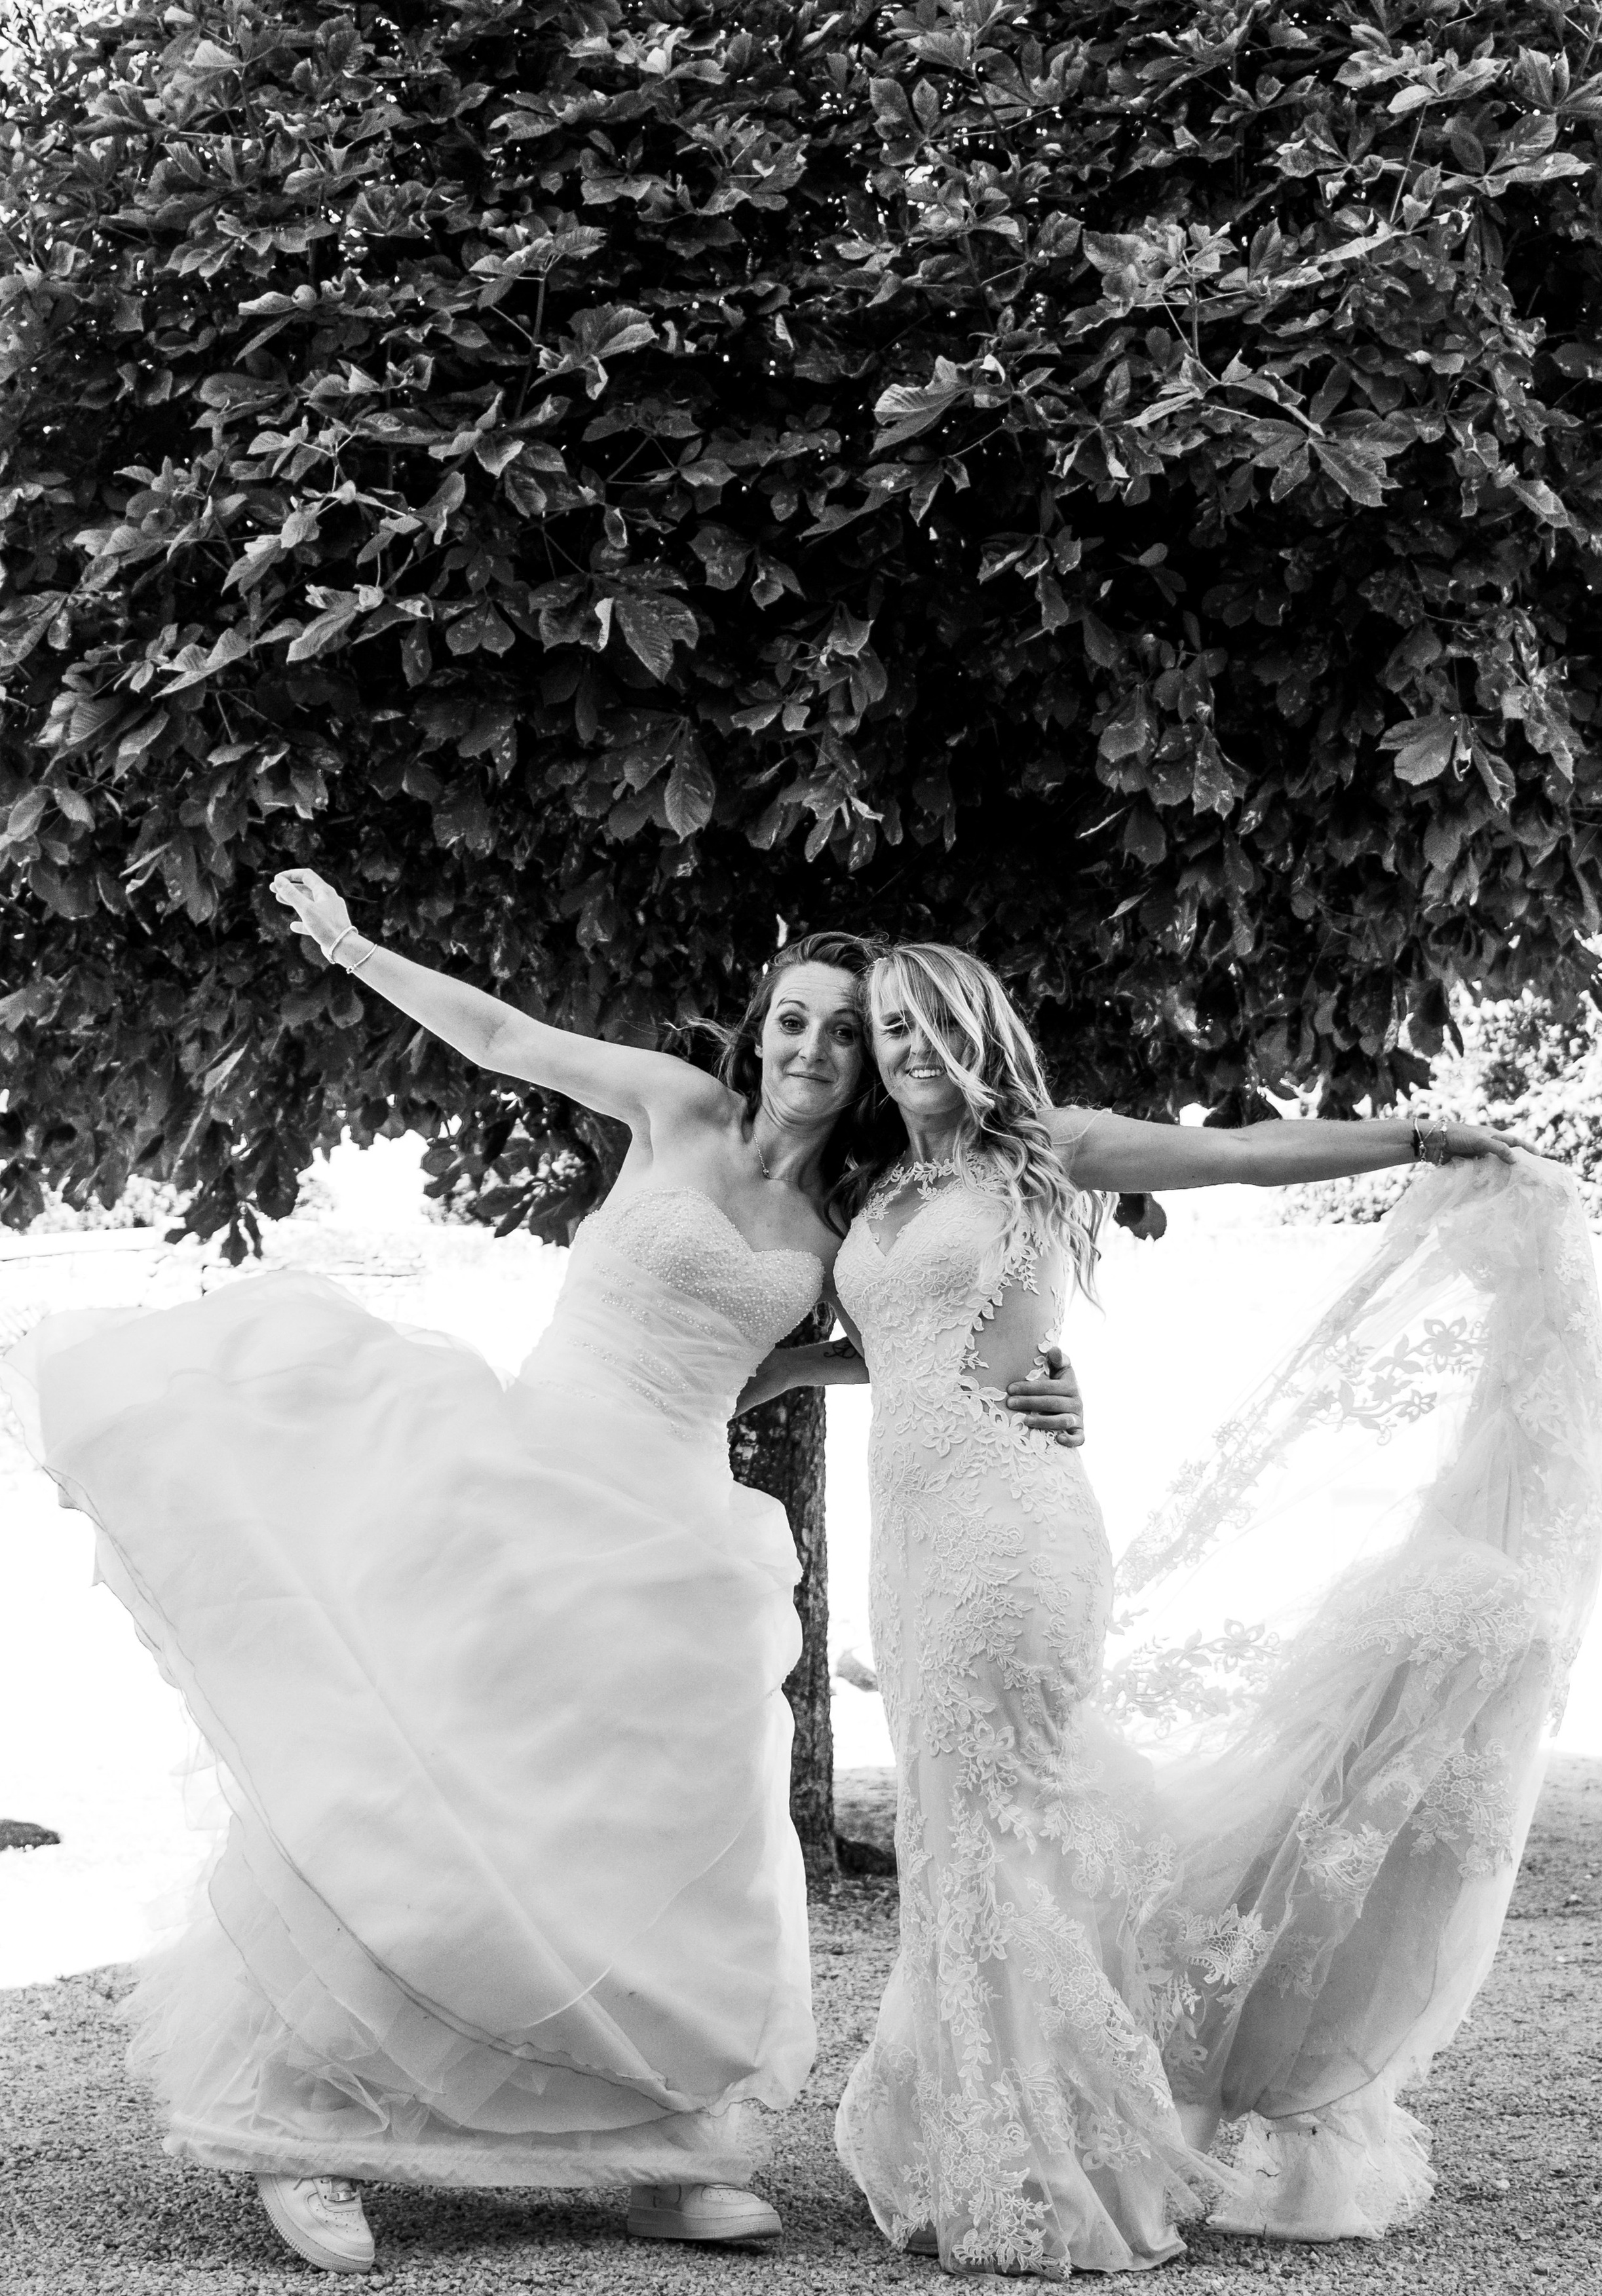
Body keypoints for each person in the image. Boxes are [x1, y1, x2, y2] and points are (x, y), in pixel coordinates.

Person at [3, 883, 1086, 2280]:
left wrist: (1042, 1390)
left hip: (680, 1526)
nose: (816, 1049)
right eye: (795, 1023)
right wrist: (350, 947)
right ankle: (306, 2123)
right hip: (531, 1473)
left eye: (844, 1034)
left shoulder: (849, 1214)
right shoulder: (671, 1110)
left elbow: (932, 1327)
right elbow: (501, 1033)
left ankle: (661, 2144)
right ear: (757, 1037)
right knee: (437, 1797)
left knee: (664, 1831)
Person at [749, 942, 1602, 2276]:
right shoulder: (876, 1182)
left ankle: (1059, 2163)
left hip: (1015, 1538)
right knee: (955, 1836)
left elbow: (1242, 1155)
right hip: (910, 1551)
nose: (908, 1048)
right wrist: (732, 1372)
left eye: (929, 1024)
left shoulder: (1042, 1149)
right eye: (887, 1028)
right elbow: (889, 1353)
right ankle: (985, 2134)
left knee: (1003, 1834)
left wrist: (1412, 1133)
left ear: (978, 1028)